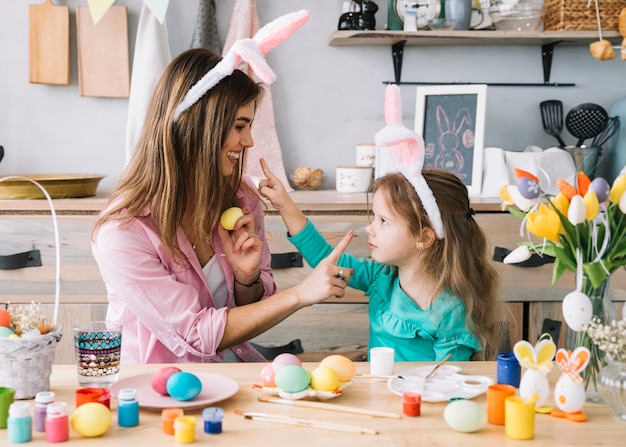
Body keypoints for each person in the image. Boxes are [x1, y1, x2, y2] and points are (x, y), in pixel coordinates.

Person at [92, 11, 354, 364]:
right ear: (198, 126)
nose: (248, 141)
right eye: (240, 126)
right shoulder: (124, 233)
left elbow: (252, 314)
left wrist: (247, 280)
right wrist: (300, 294)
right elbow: (197, 334)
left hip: (229, 373)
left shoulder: (241, 197)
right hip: (155, 390)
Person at [259, 157, 506, 362]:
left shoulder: (450, 312)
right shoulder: (380, 276)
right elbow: (326, 259)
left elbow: (447, 384)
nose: (370, 228)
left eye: (383, 221)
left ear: (424, 237)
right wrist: (285, 205)